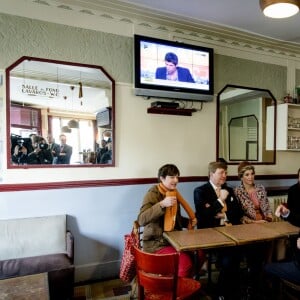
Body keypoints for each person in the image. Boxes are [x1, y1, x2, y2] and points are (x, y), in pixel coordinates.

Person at [137, 164, 205, 278]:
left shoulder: (173, 192)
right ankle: (177, 291)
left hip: (174, 240)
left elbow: (174, 219)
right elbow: (141, 219)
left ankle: (184, 280)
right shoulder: (153, 193)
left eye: (177, 177)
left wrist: (188, 222)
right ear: (162, 178)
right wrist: (162, 204)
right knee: (185, 264)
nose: (176, 180)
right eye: (172, 177)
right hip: (156, 243)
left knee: (200, 254)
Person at [194, 161, 244, 299]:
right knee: (229, 259)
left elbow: (238, 213)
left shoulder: (230, 190)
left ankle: (235, 289)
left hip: (231, 232)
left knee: (245, 251)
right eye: (221, 172)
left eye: (226, 172)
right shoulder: (200, 191)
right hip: (210, 235)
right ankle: (223, 293)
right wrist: (221, 200)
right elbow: (203, 216)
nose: (225, 175)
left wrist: (224, 214)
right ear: (211, 174)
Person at [234, 161, 273, 298]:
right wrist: (254, 222)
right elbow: (239, 216)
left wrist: (268, 218)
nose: (251, 177)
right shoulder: (237, 191)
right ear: (241, 176)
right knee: (255, 253)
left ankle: (263, 278)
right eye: (247, 174)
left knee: (272, 244)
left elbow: (267, 208)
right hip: (248, 226)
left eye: (252, 174)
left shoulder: (261, 188)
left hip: (264, 223)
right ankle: (253, 282)